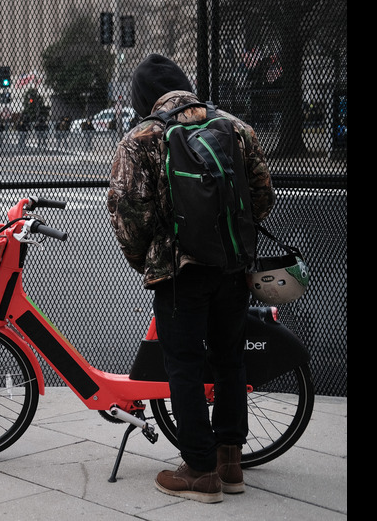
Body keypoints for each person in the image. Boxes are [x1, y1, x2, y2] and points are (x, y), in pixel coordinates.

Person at [107, 54, 275, 503]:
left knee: (183, 364)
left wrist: (148, 261)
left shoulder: (141, 139)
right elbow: (262, 196)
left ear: (143, 98)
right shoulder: (236, 128)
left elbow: (128, 214)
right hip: (233, 267)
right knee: (229, 360)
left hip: (179, 273)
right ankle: (230, 462)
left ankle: (199, 470)